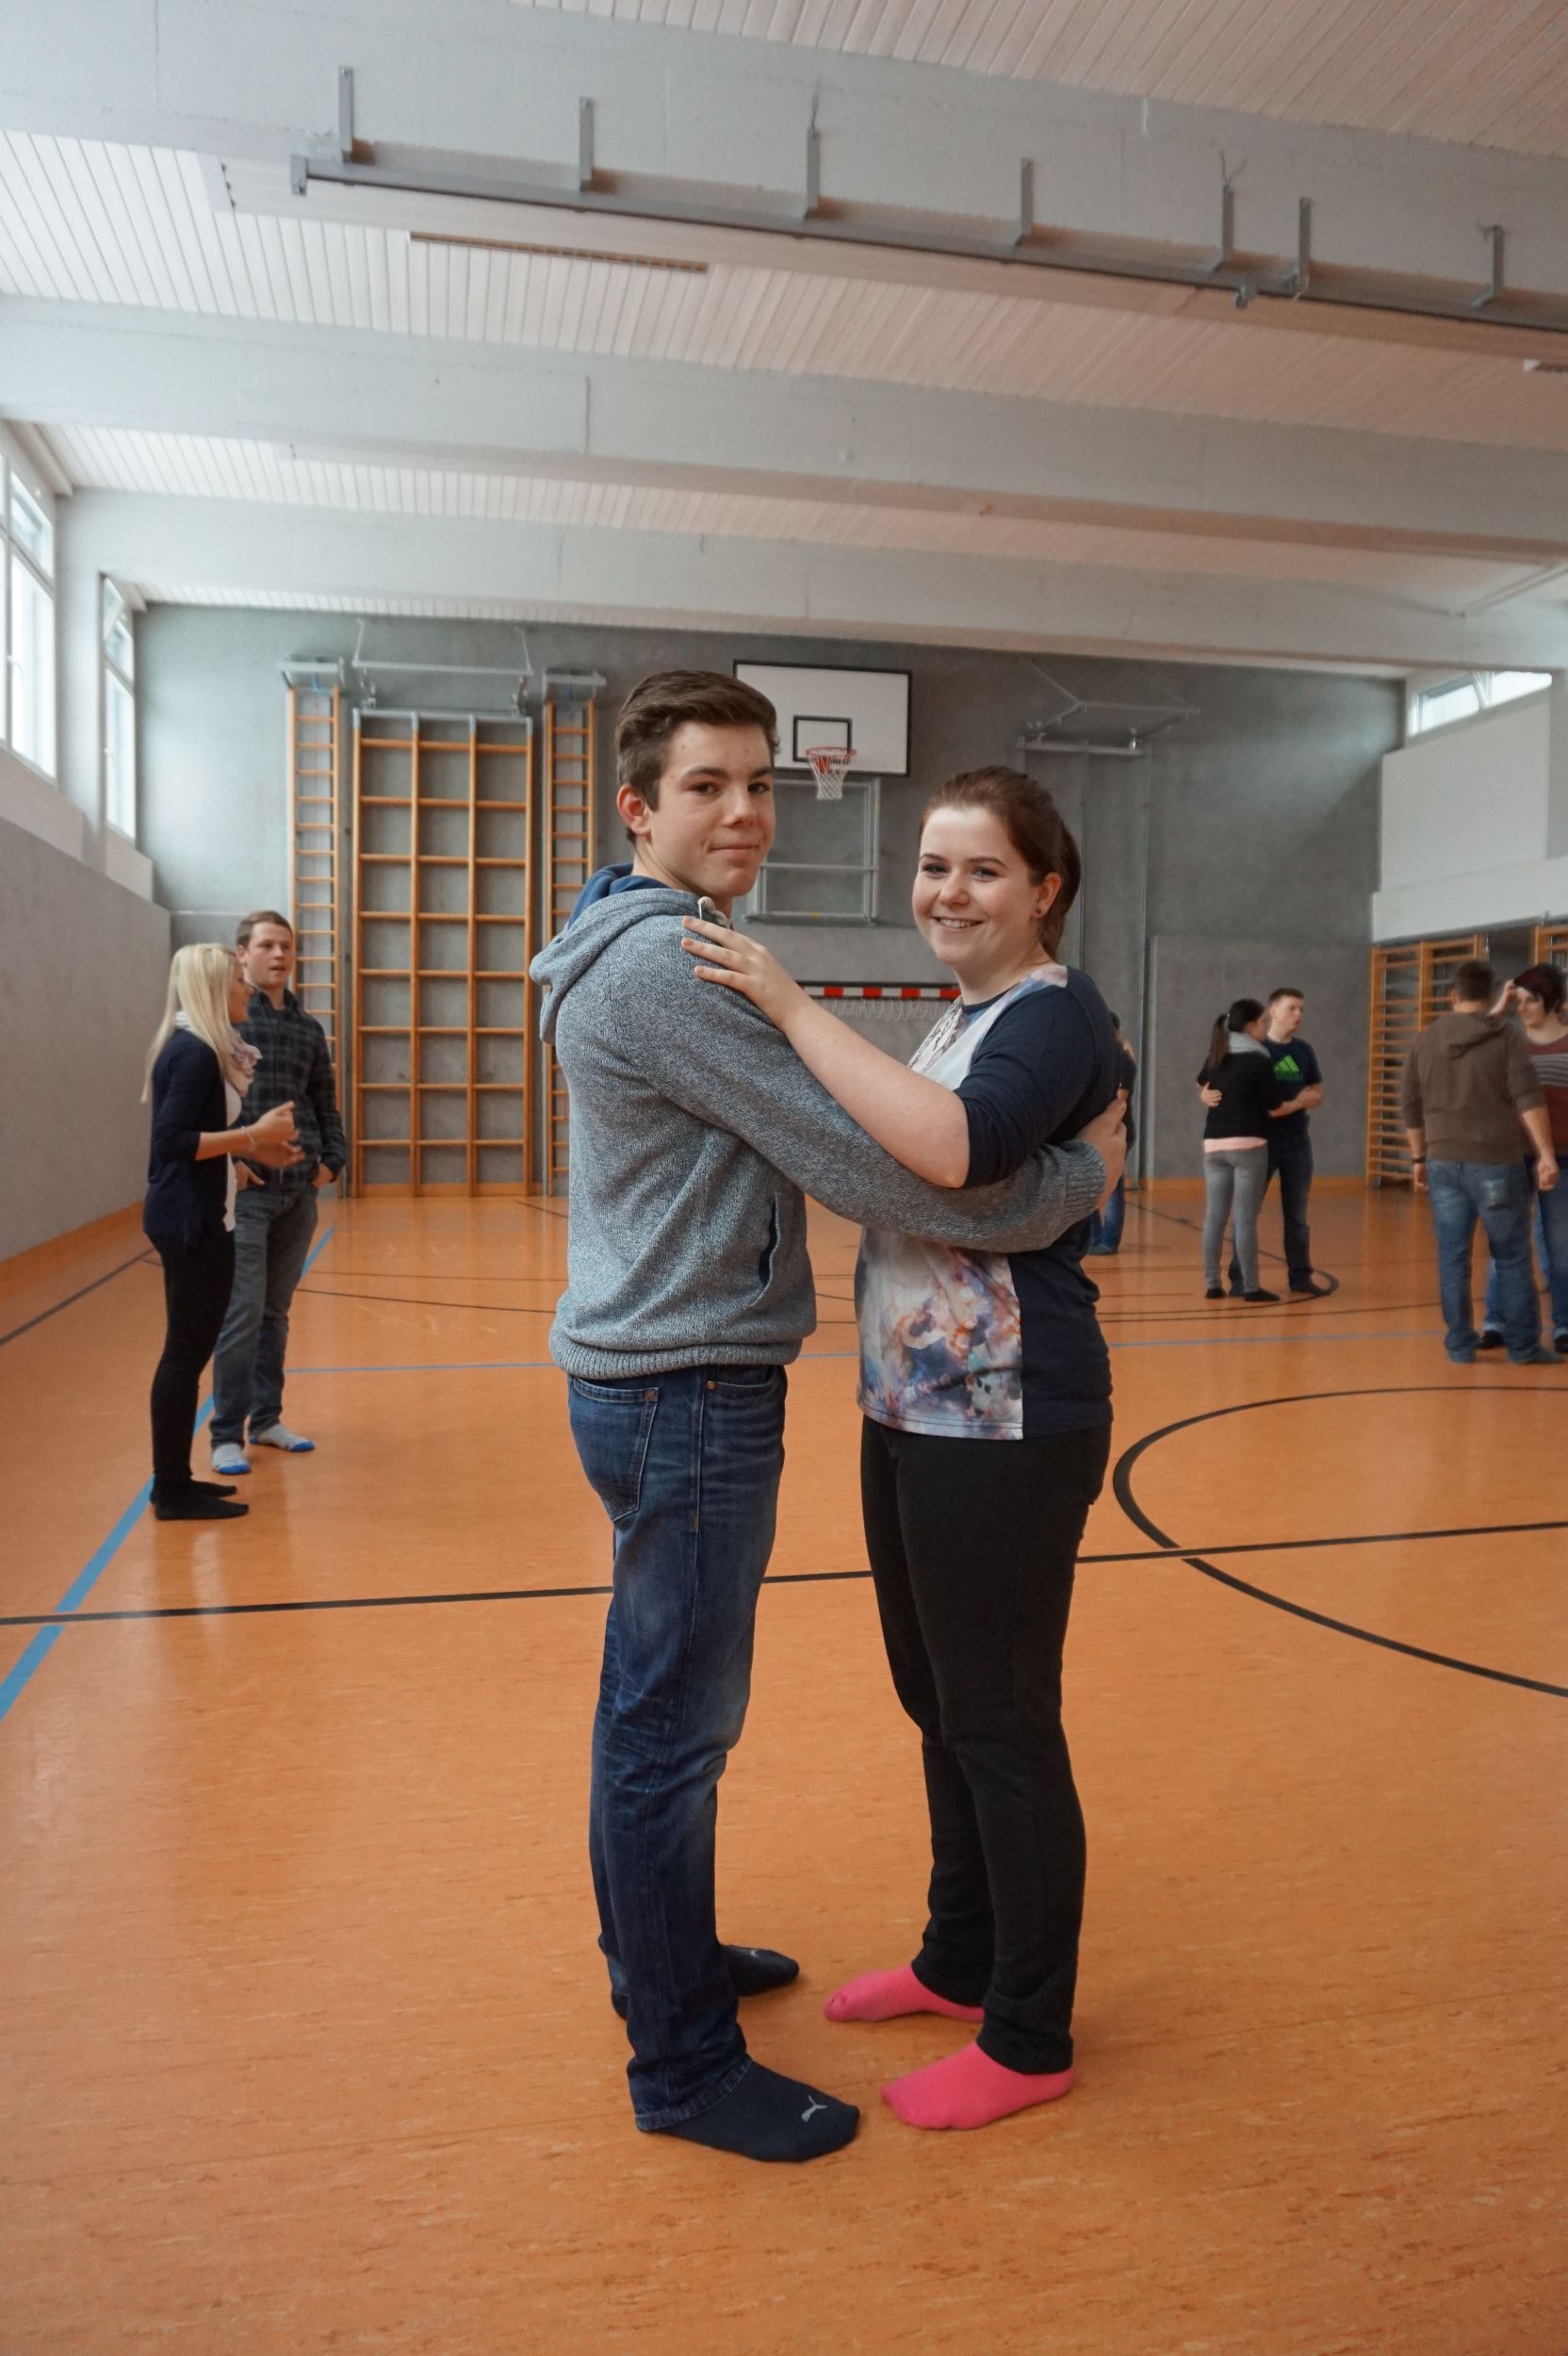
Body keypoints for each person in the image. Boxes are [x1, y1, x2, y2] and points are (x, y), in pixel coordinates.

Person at [530, 674, 1123, 2167]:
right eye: (707, 785)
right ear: (639, 808)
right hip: (699, 1382)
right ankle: (681, 2056)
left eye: (758, 783)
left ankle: (690, 1961)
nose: (743, 812)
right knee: (671, 1730)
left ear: (1045, 890)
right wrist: (1075, 1186)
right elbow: (870, 1165)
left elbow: (912, 1142)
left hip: (936, 1404)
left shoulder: (646, 940)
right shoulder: (674, 965)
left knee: (704, 1715)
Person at [686, 764, 1121, 2135]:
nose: (947, 892)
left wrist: (788, 1001)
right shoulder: (964, 1015)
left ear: (1044, 889)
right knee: (937, 1702)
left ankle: (1029, 2033)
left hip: (1009, 1413)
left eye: (981, 869)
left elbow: (951, 1149)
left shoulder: (1055, 1014)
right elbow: (894, 1152)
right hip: (913, 1406)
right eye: (934, 867)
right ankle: (959, 1958)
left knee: (1001, 1719)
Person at [143, 945, 302, 1521]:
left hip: (202, 1213)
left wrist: (244, 1155)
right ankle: (171, 1489)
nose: (247, 990)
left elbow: (197, 1139)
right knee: (184, 1356)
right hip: (191, 1223)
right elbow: (172, 1143)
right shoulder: (192, 1054)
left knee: (188, 1353)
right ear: (214, 988)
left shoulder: (202, 1050)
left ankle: (176, 1481)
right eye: (238, 981)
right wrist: (253, 1136)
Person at [209, 911, 346, 1477]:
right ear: (242, 954)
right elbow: (206, 1107)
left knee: (275, 1313)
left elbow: (324, 1102)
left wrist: (330, 1164)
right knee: (241, 1314)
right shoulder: (228, 1023)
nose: (279, 955)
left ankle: (266, 1420)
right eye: (266, 945)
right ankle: (225, 1434)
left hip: (299, 1194)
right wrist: (232, 1162)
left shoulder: (308, 1029)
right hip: (247, 1194)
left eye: (286, 946)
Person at [1401, 958, 1560, 1366]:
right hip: (1496, 1163)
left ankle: (1459, 1345)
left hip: (1442, 1161)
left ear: (1452, 996)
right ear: (1491, 996)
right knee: (1511, 1258)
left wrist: (1419, 1156)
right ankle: (1523, 1348)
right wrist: (1545, 1153)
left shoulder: (1425, 1039)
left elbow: (1410, 1106)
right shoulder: (1506, 1037)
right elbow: (1528, 1097)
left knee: (1452, 1259)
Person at [1477, 965, 1568, 1356]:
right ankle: (1496, 1321)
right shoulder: (1510, 1042)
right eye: (1520, 1001)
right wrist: (1499, 1007)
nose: (1523, 1008)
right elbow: (1469, 1039)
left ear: (1551, 1001)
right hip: (1513, 1156)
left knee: (1561, 1245)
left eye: (1532, 1001)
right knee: (1505, 1243)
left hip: (1562, 1158)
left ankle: (1564, 1324)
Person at [1219, 988, 1329, 1298]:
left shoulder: (1304, 1051)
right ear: (1273, 1012)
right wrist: (1297, 1102)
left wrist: (1290, 1104)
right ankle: (1240, 1278)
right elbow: (1268, 1107)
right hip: (1259, 1143)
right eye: (1292, 1008)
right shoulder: (1256, 1051)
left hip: (1297, 1143)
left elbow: (1317, 1094)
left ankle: (1300, 1277)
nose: (1299, 1015)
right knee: (1247, 1213)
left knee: (1297, 1215)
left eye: (1301, 1009)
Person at [1197, 1000, 1294, 1302]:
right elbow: (1275, 1104)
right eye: (1263, 1021)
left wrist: (1204, 1095)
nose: (1266, 1026)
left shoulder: (1218, 1054)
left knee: (1215, 1218)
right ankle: (1250, 1287)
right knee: (1245, 1219)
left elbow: (1202, 1084)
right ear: (1250, 1026)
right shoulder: (1258, 1059)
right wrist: (1303, 1100)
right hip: (1249, 1144)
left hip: (1214, 1145)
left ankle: (1212, 1284)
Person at [1086, 1012, 1135, 1255]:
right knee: (1089, 1185)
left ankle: (1109, 1240)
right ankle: (1094, 1237)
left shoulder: (1122, 1059)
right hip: (1095, 1129)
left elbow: (1120, 1099)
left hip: (1118, 1130)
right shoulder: (1096, 1056)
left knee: (1113, 1187)